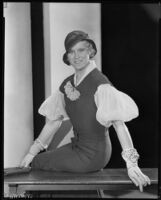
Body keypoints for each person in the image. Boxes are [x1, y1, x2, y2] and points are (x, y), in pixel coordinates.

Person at [20, 30, 151, 192]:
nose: (76, 56)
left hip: (95, 154)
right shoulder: (67, 84)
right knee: (38, 160)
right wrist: (32, 152)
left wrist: (132, 165)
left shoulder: (101, 84)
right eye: (71, 52)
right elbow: (54, 122)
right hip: (77, 147)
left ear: (91, 51)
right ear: (67, 56)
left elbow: (119, 125)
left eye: (81, 50)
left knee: (40, 163)